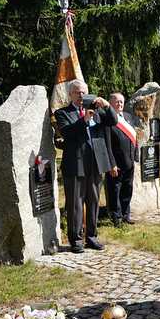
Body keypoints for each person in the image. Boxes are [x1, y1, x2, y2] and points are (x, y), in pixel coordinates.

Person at [55, 79, 117, 253]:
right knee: (75, 202)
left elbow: (113, 122)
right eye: (77, 92)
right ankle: (76, 239)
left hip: (96, 163)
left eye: (83, 92)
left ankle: (92, 236)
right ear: (70, 94)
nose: (81, 96)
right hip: (76, 163)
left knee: (94, 201)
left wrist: (106, 105)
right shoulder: (63, 113)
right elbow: (66, 132)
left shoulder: (97, 111)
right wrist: (84, 119)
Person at [105, 92, 138, 227]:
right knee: (115, 190)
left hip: (129, 162)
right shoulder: (107, 119)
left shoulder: (128, 117)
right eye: (117, 101)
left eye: (121, 102)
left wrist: (135, 156)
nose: (119, 104)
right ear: (110, 103)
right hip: (116, 163)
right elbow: (107, 144)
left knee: (127, 189)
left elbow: (134, 138)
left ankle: (125, 214)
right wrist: (111, 164)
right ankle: (116, 217)